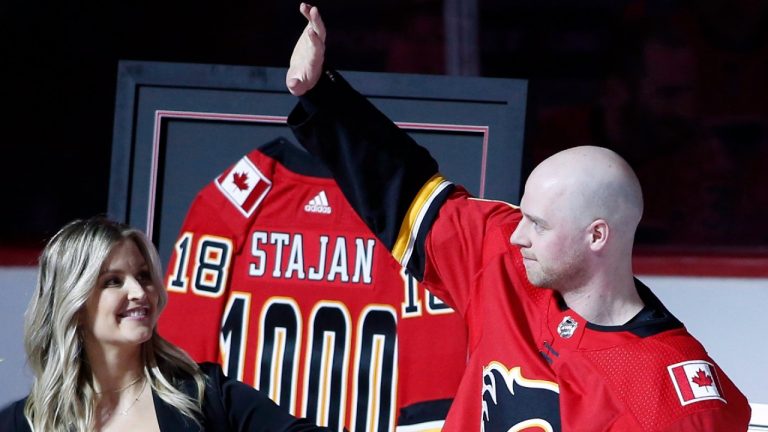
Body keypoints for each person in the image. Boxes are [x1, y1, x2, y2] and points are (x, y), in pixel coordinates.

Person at [284, 4, 752, 431]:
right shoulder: (507, 262)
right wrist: (323, 95)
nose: (517, 235)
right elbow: (402, 190)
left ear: (597, 236)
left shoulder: (665, 390)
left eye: (540, 224)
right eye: (524, 216)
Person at [0, 217, 331, 431]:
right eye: (113, 281)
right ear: (73, 303)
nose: (139, 291)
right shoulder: (25, 422)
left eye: (143, 276)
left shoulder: (207, 396)